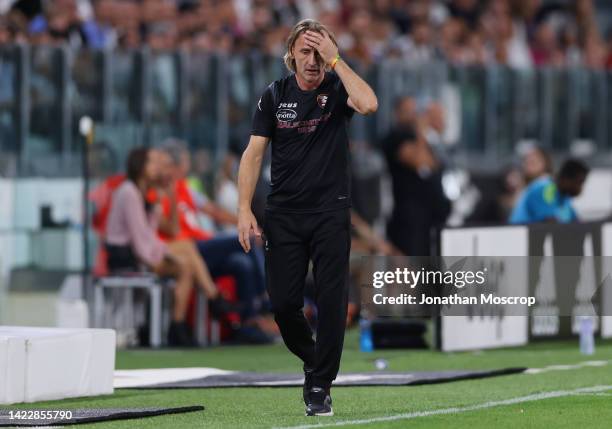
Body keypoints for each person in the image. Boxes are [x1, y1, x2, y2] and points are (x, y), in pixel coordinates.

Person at [237, 19, 377, 416]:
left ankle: (319, 385)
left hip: (330, 211)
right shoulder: (273, 95)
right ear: (291, 56)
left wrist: (339, 61)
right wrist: (244, 208)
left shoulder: (337, 89)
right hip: (283, 213)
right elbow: (253, 154)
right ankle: (316, 360)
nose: (313, 60)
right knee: (282, 303)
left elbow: (368, 104)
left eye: (320, 52)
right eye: (305, 51)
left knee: (333, 300)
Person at [105, 147, 233, 347]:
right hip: (127, 256)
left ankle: (180, 322)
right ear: (140, 166)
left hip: (140, 252)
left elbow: (170, 230)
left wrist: (171, 196)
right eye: (153, 163)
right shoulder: (129, 192)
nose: (158, 168)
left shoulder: (145, 193)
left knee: (186, 256)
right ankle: (205, 302)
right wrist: (165, 255)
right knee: (185, 255)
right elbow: (141, 241)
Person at [153, 141, 275, 344]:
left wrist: (244, 220)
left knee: (241, 263)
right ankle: (265, 295)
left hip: (202, 246)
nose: (186, 164)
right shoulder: (159, 191)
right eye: (183, 160)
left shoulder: (185, 187)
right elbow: (171, 229)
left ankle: (246, 324)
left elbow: (213, 211)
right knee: (247, 240)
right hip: (185, 249)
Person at [383, 96, 450, 256]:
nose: (414, 115)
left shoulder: (427, 140)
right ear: (397, 113)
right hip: (408, 222)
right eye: (409, 111)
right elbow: (420, 162)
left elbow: (432, 165)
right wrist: (421, 131)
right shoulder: (395, 138)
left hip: (430, 221)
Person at [509, 158, 589, 224]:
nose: (581, 188)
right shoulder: (544, 189)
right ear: (567, 179)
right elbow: (550, 223)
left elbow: (575, 221)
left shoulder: (564, 197)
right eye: (579, 182)